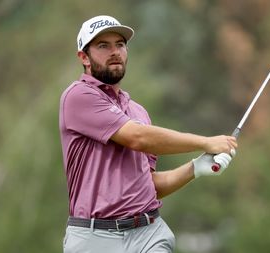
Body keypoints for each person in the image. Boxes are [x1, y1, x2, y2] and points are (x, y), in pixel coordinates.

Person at [59, 15, 238, 253]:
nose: (114, 52)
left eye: (120, 45)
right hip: (94, 238)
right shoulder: (78, 97)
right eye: (103, 46)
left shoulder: (138, 112)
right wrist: (206, 142)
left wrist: (195, 167)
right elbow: (137, 138)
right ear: (84, 57)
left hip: (148, 234)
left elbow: (148, 185)